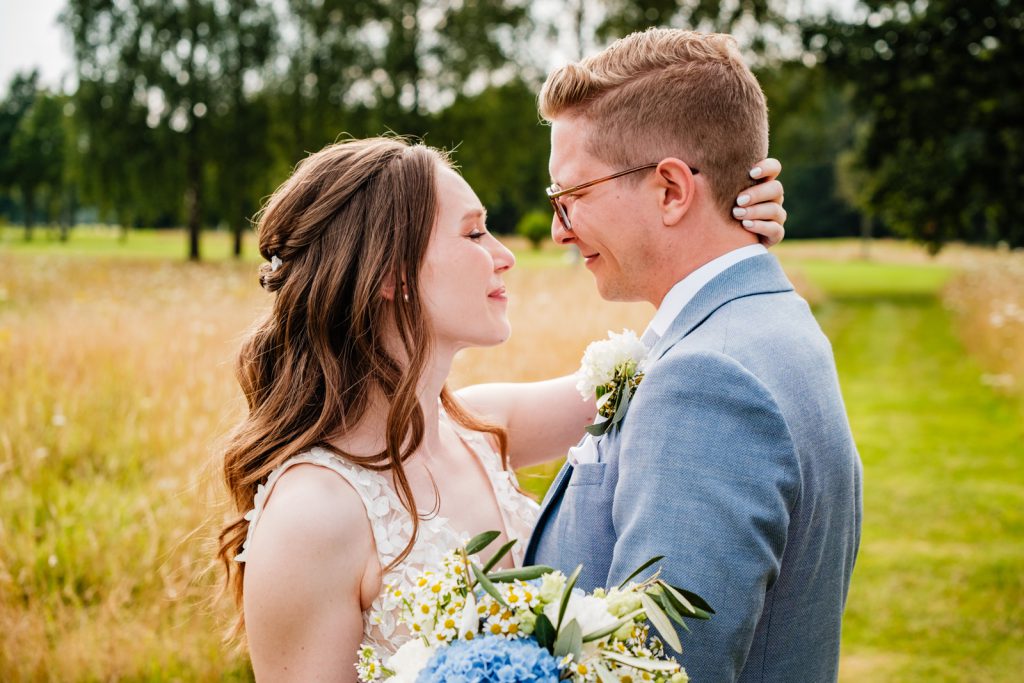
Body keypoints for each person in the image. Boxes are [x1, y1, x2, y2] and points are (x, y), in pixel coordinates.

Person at [216, 136, 787, 681]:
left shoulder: (483, 428)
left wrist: (722, 233)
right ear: (392, 274)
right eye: (474, 234)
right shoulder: (310, 516)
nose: (505, 256)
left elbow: (661, 371)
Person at [523, 28, 863, 683]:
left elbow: (655, 670)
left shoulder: (707, 381)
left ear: (672, 190)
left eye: (571, 195)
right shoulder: (771, 318)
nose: (559, 229)